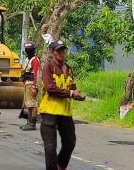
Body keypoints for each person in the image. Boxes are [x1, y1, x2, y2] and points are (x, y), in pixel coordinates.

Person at [39, 40, 86, 170]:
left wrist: (77, 93)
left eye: (63, 50)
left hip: (65, 113)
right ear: (52, 53)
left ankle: (61, 166)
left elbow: (72, 86)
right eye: (58, 50)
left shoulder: (69, 69)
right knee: (50, 147)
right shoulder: (48, 67)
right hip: (49, 111)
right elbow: (50, 88)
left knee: (70, 143)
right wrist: (71, 93)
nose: (62, 53)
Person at [20, 41, 41, 131]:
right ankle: (29, 122)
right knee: (28, 104)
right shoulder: (27, 59)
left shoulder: (35, 60)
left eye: (29, 50)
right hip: (27, 83)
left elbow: (36, 74)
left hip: (32, 83)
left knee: (32, 104)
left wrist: (35, 87)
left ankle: (32, 123)